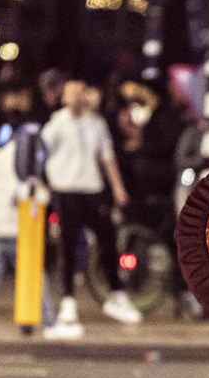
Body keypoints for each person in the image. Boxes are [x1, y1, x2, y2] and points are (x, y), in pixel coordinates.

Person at [0, 124, 78, 341]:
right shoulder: (26, 166)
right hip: (20, 231)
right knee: (35, 279)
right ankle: (50, 324)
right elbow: (32, 196)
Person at [41, 81, 140, 326]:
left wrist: (118, 188)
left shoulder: (96, 124)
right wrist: (44, 183)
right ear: (64, 97)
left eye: (79, 93)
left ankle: (117, 294)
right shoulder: (56, 125)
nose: (76, 98)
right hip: (65, 190)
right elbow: (39, 154)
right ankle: (68, 301)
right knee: (68, 244)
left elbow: (107, 158)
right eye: (71, 94)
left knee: (107, 240)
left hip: (91, 189)